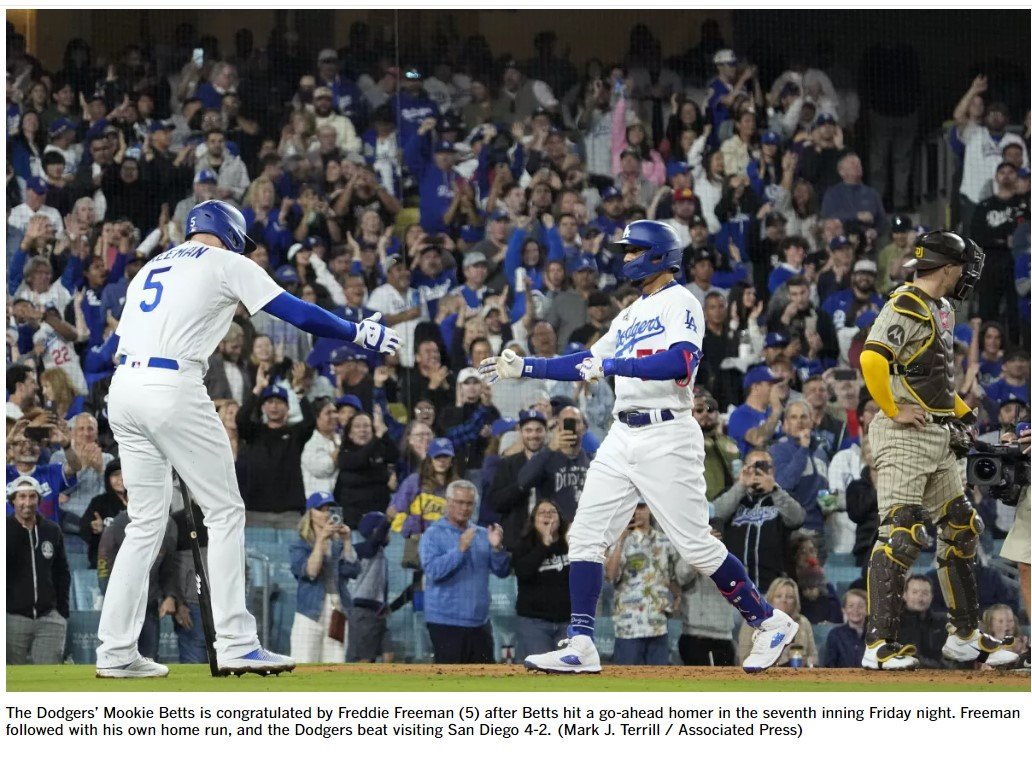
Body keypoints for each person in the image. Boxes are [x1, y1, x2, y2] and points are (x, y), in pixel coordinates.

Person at [95, 200, 399, 678]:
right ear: (230, 232)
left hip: (125, 388)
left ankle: (114, 651)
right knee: (225, 511)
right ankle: (236, 641)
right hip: (173, 384)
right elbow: (293, 310)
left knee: (145, 522)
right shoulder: (226, 261)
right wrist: (356, 332)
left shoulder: (151, 265)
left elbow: (108, 350)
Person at [481, 220, 800, 674]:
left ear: (656, 254)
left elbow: (680, 362)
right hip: (622, 434)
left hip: (667, 432)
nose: (626, 258)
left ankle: (768, 621)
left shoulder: (681, 301)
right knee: (586, 537)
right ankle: (582, 643)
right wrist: (526, 366)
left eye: (633, 250)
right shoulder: (630, 313)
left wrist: (613, 362)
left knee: (695, 545)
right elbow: (586, 361)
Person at [859, 229, 1016, 670]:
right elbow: (872, 358)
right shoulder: (905, 303)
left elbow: (934, 380)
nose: (968, 274)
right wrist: (892, 409)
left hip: (936, 431)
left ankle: (964, 636)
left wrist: (967, 418)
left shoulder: (941, 307)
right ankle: (879, 645)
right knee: (903, 531)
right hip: (905, 436)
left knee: (962, 525)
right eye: (964, 266)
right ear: (948, 268)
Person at [419, 480, 510, 664]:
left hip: (480, 623)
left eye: (469, 503)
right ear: (448, 502)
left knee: (485, 685)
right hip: (445, 622)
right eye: (459, 502)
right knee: (450, 686)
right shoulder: (433, 534)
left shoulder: (483, 534)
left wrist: (497, 548)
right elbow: (433, 571)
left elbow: (502, 571)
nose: (464, 508)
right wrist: (459, 550)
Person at [712, 448, 806, 593]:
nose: (757, 472)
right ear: (743, 468)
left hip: (772, 588)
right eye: (752, 467)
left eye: (762, 467)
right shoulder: (730, 494)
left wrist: (774, 490)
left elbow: (797, 519)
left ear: (772, 471)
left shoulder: (784, 497)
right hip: (734, 587)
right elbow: (716, 514)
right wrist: (741, 485)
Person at [288, 492, 361, 664]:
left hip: (337, 608)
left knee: (335, 662)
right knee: (304, 662)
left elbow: (353, 571)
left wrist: (347, 541)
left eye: (330, 509)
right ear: (310, 514)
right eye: (320, 509)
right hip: (310, 610)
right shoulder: (300, 545)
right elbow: (311, 572)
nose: (326, 513)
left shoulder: (338, 545)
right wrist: (320, 540)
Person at [606, 502, 680, 665]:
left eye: (641, 507)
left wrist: (677, 595)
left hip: (657, 622)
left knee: (659, 683)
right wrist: (619, 541)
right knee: (627, 684)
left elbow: (672, 575)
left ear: (650, 509)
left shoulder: (664, 540)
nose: (637, 512)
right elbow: (610, 575)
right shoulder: (620, 540)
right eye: (633, 508)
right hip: (628, 626)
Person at [7, 475, 70, 665]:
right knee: (12, 679)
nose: (27, 502)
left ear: (39, 500)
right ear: (12, 501)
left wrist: (61, 612)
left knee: (47, 679)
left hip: (49, 618)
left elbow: (62, 573)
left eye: (32, 497)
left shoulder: (52, 530)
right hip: (11, 618)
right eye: (22, 497)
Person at [511, 500, 571, 660]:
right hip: (534, 624)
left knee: (569, 677)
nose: (547, 515)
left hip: (567, 623)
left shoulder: (570, 545)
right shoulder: (523, 545)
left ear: (560, 519)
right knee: (538, 675)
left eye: (552, 511)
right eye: (542, 512)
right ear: (534, 520)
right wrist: (545, 544)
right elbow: (523, 572)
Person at [488, 409, 550, 547]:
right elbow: (496, 503)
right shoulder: (507, 464)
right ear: (521, 433)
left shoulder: (555, 462)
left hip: (549, 541)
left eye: (538, 430)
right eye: (528, 430)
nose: (533, 435)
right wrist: (520, 487)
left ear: (546, 432)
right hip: (516, 541)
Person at [737, 577, 818, 668]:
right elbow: (744, 657)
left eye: (790, 597)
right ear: (770, 599)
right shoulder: (753, 621)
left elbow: (813, 655)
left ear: (796, 602)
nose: (784, 600)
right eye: (778, 596)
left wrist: (807, 661)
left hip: (799, 676)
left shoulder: (803, 622)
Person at [347, 511, 394, 663]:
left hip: (378, 613)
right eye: (386, 530)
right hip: (363, 613)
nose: (389, 533)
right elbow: (373, 543)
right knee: (365, 660)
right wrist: (387, 520)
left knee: (389, 655)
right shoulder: (362, 549)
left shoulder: (380, 553)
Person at [896, 574, 947, 669]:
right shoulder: (894, 624)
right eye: (915, 592)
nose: (920, 598)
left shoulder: (943, 623)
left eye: (925, 593)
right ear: (905, 595)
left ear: (931, 597)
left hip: (939, 676)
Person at [821, 589, 868, 668]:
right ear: (843, 610)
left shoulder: (875, 636)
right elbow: (829, 665)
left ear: (867, 610)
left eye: (860, 606)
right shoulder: (835, 635)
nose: (855, 610)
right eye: (851, 606)